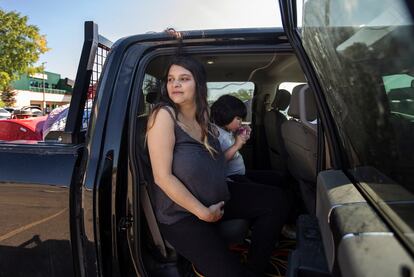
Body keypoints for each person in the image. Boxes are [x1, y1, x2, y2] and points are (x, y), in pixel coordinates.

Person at [146, 55, 291, 277]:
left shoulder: (201, 116)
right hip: (184, 215)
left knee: (277, 201)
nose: (174, 84)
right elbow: (162, 177)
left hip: (219, 196)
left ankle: (255, 268)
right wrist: (203, 213)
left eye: (183, 78)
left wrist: (238, 143)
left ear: (198, 84)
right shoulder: (164, 115)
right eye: (170, 79)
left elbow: (216, 162)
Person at [210, 94, 286, 187]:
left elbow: (228, 141)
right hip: (231, 179)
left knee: (278, 178)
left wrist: (239, 134)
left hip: (241, 174)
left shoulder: (226, 129)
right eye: (238, 118)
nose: (240, 122)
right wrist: (236, 145)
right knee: (272, 192)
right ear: (225, 115)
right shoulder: (215, 134)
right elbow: (217, 162)